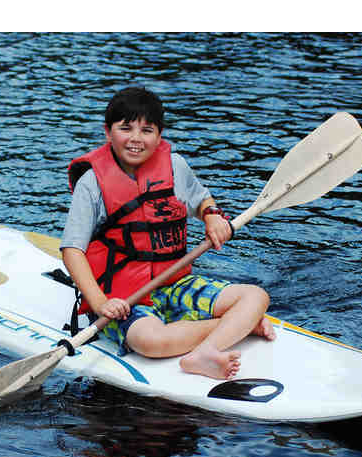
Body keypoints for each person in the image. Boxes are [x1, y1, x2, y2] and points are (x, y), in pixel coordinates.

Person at [61, 87, 275, 380]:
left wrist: (212, 216)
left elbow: (202, 200)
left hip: (175, 282)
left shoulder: (175, 166)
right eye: (126, 128)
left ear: (160, 135)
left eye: (147, 130)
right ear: (108, 132)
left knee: (255, 296)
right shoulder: (92, 183)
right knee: (150, 342)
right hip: (123, 297)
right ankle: (240, 326)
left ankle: (205, 351)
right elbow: (72, 250)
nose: (136, 139)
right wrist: (100, 303)